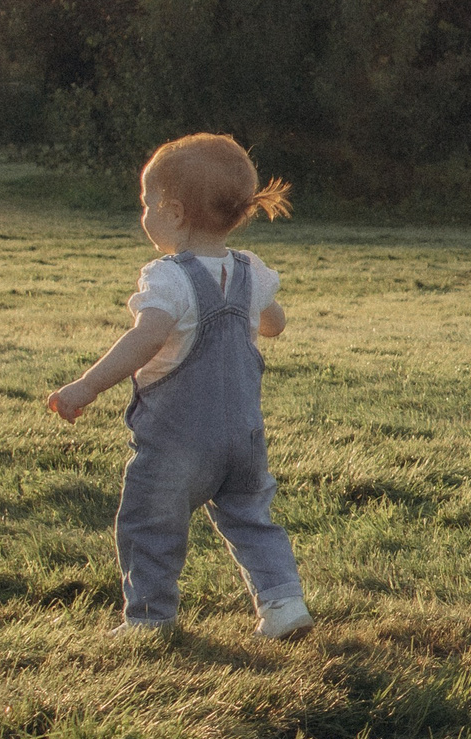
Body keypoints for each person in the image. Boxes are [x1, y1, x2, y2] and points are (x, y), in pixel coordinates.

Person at [46, 133, 311, 639]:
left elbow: (144, 340)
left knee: (150, 526)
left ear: (173, 211)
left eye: (147, 202)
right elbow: (275, 324)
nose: (143, 212)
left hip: (177, 444)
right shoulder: (249, 271)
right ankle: (283, 604)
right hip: (244, 440)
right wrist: (252, 312)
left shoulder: (169, 278)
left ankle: (150, 620)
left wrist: (86, 386)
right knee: (253, 522)